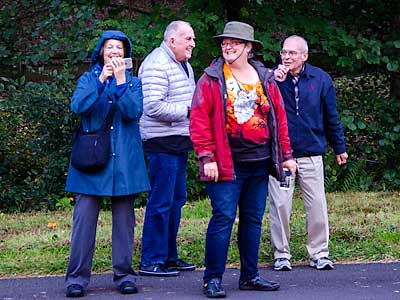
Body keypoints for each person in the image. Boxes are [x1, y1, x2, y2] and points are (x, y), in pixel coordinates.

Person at [190, 21, 297, 298]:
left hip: (259, 163)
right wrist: (206, 157)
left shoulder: (265, 78)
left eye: (235, 42)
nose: (228, 46)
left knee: (252, 220)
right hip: (226, 163)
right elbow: (199, 120)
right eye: (225, 42)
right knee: (223, 218)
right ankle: (212, 280)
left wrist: (286, 155)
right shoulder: (212, 78)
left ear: (248, 47)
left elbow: (279, 119)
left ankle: (250, 276)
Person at [65, 30, 150, 297]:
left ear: (126, 54)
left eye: (120, 48)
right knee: (83, 222)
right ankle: (76, 279)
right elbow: (78, 106)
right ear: (101, 51)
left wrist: (122, 81)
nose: (115, 51)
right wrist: (102, 79)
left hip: (125, 162)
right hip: (91, 161)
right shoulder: (88, 79)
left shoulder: (134, 83)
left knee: (125, 223)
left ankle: (124, 275)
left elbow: (134, 112)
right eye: (110, 47)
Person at [269, 35, 348, 272]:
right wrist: (273, 80)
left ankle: (319, 253)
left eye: (292, 53)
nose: (286, 57)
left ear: (304, 55)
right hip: (281, 155)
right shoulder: (272, 79)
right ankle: (281, 254)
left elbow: (330, 116)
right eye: (284, 52)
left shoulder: (320, 79)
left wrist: (340, 147)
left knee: (316, 205)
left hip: (311, 152)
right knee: (280, 205)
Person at [138, 20, 196, 277]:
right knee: (161, 202)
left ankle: (169, 257)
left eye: (193, 39)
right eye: (188, 39)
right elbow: (151, 106)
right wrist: (188, 111)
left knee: (175, 201)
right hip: (162, 143)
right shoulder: (157, 64)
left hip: (178, 141)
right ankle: (151, 260)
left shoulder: (182, 63)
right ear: (172, 40)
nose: (193, 44)